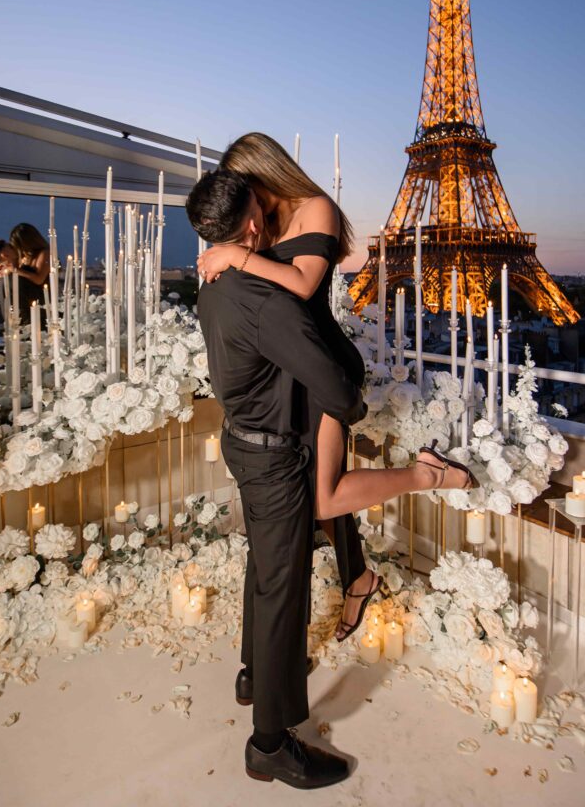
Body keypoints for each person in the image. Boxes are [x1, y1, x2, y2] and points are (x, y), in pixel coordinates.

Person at [197, 133, 475, 641]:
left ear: (264, 171)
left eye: (245, 186)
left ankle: (425, 476)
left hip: (323, 369)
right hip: (290, 373)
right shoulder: (263, 221)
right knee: (307, 493)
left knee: (321, 500)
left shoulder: (315, 208)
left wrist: (233, 257)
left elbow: (302, 285)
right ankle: (357, 578)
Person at [187, 169, 365, 789]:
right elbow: (338, 388)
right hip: (276, 459)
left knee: (264, 570)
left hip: (241, 442)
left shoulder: (210, 282)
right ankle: (270, 742)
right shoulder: (266, 302)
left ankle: (251, 675)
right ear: (255, 225)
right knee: (284, 590)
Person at [0, 237, 43, 324]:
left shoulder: (4, 279)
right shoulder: (17, 277)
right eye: (10, 247)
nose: (16, 247)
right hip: (30, 325)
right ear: (4, 255)